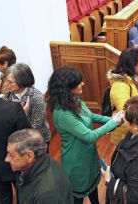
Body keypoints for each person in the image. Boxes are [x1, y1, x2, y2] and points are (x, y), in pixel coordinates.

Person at [47, 68, 119, 204]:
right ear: (67, 88)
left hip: (89, 154)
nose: (83, 84)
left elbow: (91, 116)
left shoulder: (74, 99)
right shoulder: (62, 112)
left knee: (93, 188)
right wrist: (113, 122)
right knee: (78, 197)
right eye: (78, 83)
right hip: (77, 161)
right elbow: (89, 136)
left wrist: (111, 120)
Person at [0, 68, 31, 204]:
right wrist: (21, 114)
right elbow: (28, 137)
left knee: (2, 200)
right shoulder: (13, 108)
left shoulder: (12, 108)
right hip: (16, 163)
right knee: (24, 196)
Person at [5, 129, 73, 203]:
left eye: (11, 155)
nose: (6, 159)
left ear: (30, 156)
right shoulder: (40, 160)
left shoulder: (47, 194)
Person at [107, 47, 138, 144]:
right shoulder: (120, 85)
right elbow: (126, 112)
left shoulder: (137, 75)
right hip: (126, 133)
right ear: (132, 65)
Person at [4, 63, 51, 147]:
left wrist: (21, 115)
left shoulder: (36, 98)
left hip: (37, 140)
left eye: (10, 82)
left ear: (22, 81)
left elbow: (35, 126)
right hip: (18, 139)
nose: (6, 85)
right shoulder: (9, 94)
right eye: (6, 80)